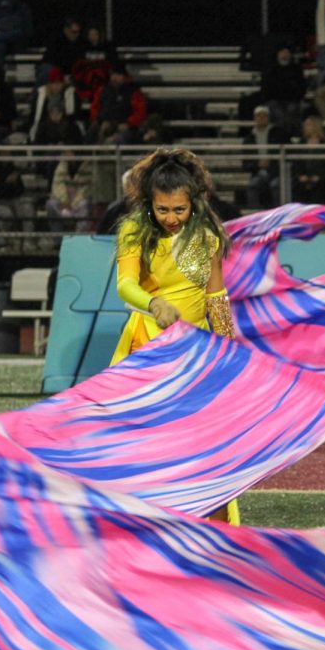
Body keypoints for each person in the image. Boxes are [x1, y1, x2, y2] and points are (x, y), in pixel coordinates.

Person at [110, 148, 239, 521]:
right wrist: (153, 305)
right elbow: (125, 285)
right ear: (150, 202)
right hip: (150, 346)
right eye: (162, 209)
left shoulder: (208, 234)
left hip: (195, 351)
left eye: (179, 210)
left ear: (193, 202)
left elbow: (216, 296)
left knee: (204, 443)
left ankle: (210, 525)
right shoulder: (135, 229)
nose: (170, 218)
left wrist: (227, 344)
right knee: (147, 442)